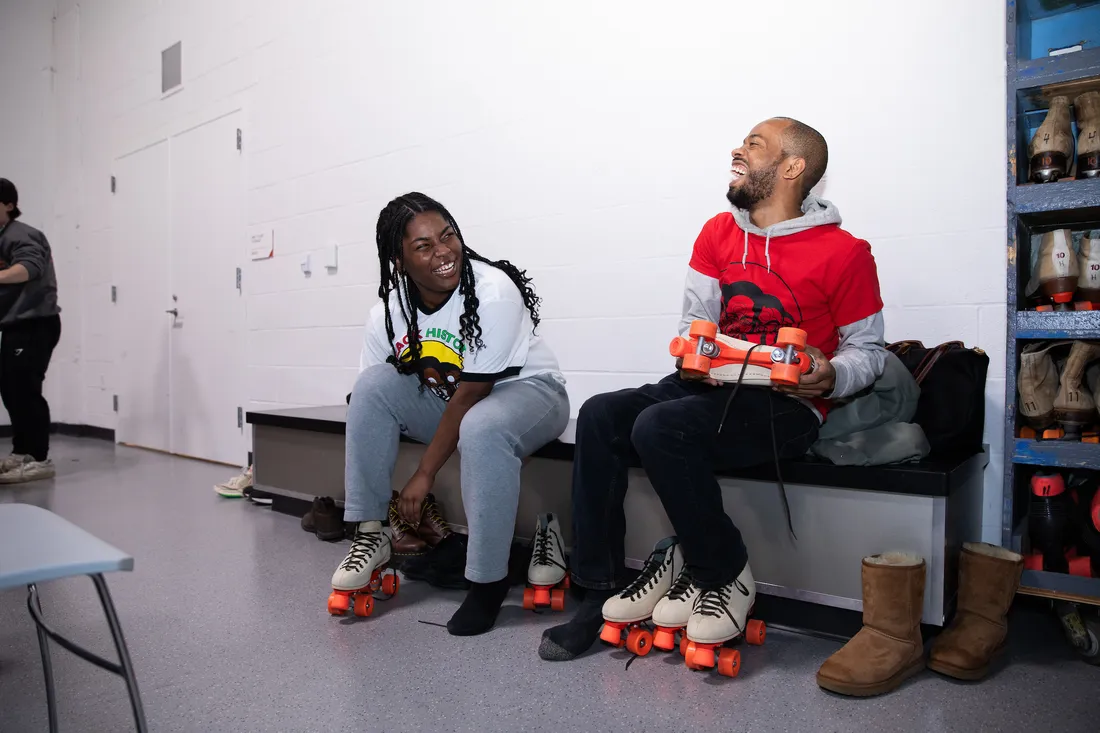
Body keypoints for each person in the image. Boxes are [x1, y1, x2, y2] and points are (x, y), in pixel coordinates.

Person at [539, 118, 886, 661]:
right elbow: (692, 325)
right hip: (711, 386)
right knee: (602, 414)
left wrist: (833, 374)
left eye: (754, 144)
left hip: (786, 406)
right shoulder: (717, 233)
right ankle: (598, 589)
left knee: (660, 427)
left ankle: (722, 572)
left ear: (793, 168)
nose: (737, 150)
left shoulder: (846, 252)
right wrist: (695, 356)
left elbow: (870, 352)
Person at [332, 192, 569, 635]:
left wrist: (423, 475)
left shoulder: (493, 288)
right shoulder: (389, 309)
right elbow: (371, 395)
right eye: (423, 246)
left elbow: (472, 395)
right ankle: (370, 533)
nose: (443, 252)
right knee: (370, 387)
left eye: (448, 236)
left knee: (481, 425)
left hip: (531, 394)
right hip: (451, 400)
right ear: (399, 261)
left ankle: (487, 582)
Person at [0, 178, 62, 485]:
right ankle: (22, 451)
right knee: (10, 389)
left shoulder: (21, 234)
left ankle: (40, 459)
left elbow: (28, 268)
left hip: (36, 324)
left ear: (9, 205)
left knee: (25, 389)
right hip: (15, 324)